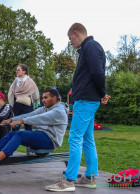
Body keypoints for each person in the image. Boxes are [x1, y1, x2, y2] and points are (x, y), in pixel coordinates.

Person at [45, 23, 111, 192]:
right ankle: (89, 177)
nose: (71, 42)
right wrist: (101, 93)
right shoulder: (89, 48)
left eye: (70, 39)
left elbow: (98, 73)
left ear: (76, 33)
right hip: (88, 99)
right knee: (87, 138)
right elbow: (93, 73)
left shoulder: (90, 46)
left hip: (86, 100)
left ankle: (68, 181)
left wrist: (102, 93)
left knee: (75, 138)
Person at [0, 89, 68, 169]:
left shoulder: (58, 111)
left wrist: (21, 121)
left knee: (19, 135)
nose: (43, 100)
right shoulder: (46, 108)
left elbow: (39, 118)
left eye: (45, 98)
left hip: (50, 140)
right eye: (42, 98)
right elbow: (30, 115)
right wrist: (11, 119)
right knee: (11, 134)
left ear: (54, 98)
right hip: (41, 135)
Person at [8, 64, 40, 130]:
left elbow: (35, 93)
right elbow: (11, 93)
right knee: (15, 124)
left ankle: (28, 139)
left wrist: (36, 104)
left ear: (24, 71)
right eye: (16, 70)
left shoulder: (30, 81)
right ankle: (14, 139)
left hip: (27, 105)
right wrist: (11, 105)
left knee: (28, 124)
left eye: (18, 70)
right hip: (17, 105)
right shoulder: (15, 81)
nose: (17, 71)